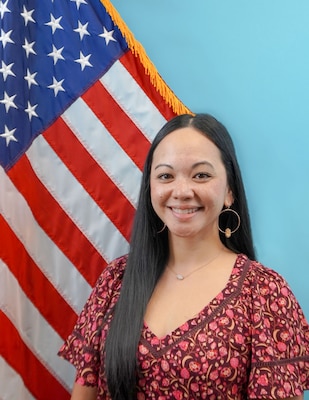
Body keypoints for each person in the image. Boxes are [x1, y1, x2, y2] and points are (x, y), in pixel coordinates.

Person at [58, 113, 309, 400]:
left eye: (201, 175)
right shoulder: (115, 282)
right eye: (165, 176)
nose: (182, 191)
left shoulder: (265, 293)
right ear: (151, 187)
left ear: (229, 191)